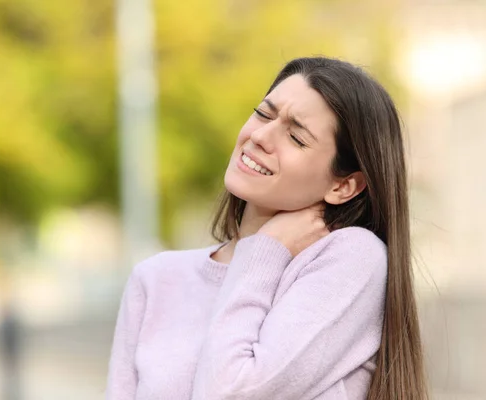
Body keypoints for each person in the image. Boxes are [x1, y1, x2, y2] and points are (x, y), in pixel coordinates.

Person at [105, 57, 428, 399]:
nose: (260, 136)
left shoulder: (352, 258)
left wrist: (265, 249)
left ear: (344, 185)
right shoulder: (156, 279)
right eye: (263, 114)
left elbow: (229, 391)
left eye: (296, 137)